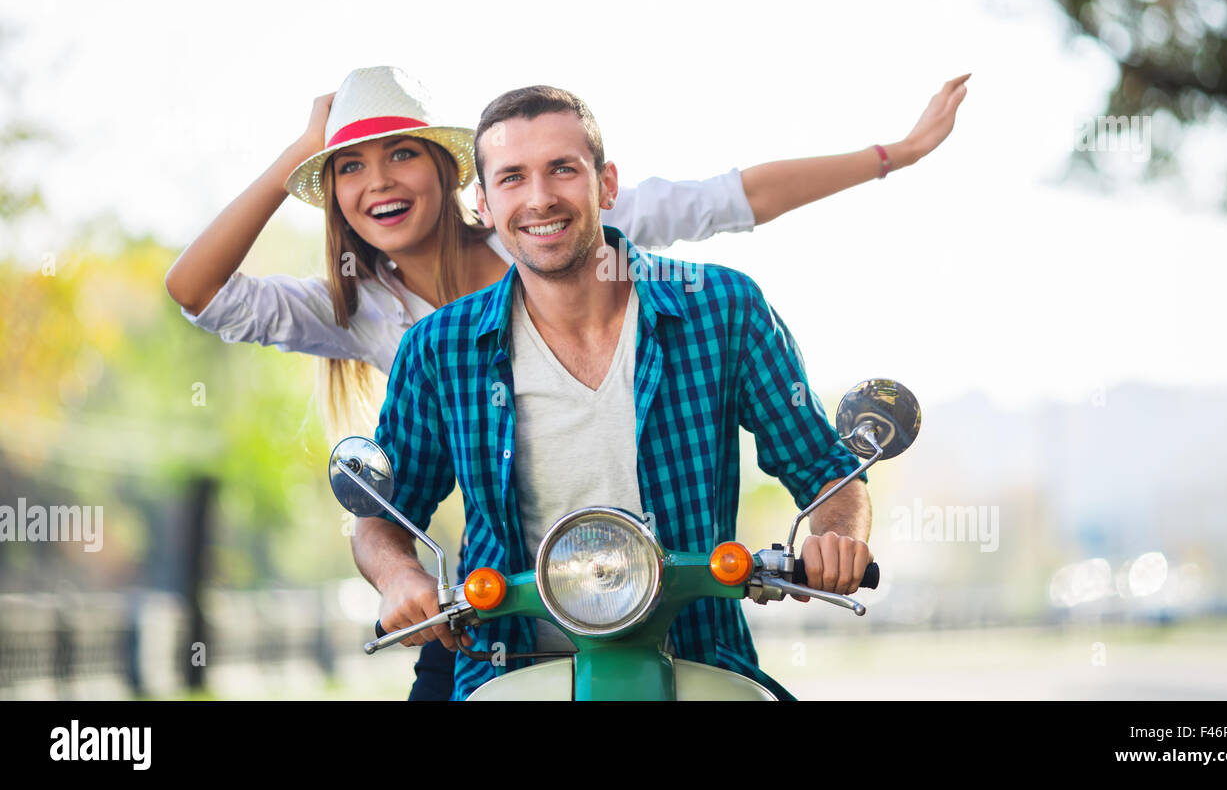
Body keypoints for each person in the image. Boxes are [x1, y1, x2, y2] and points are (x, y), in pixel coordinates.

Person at [165, 65, 971, 699]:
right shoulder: (418, 337)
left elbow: (824, 464)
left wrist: (836, 532)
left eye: (563, 171)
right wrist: (402, 575)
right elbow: (384, 509)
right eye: (513, 178)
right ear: (485, 195)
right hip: (505, 651)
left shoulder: (719, 305)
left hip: (695, 649)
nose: (541, 197)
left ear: (606, 184)